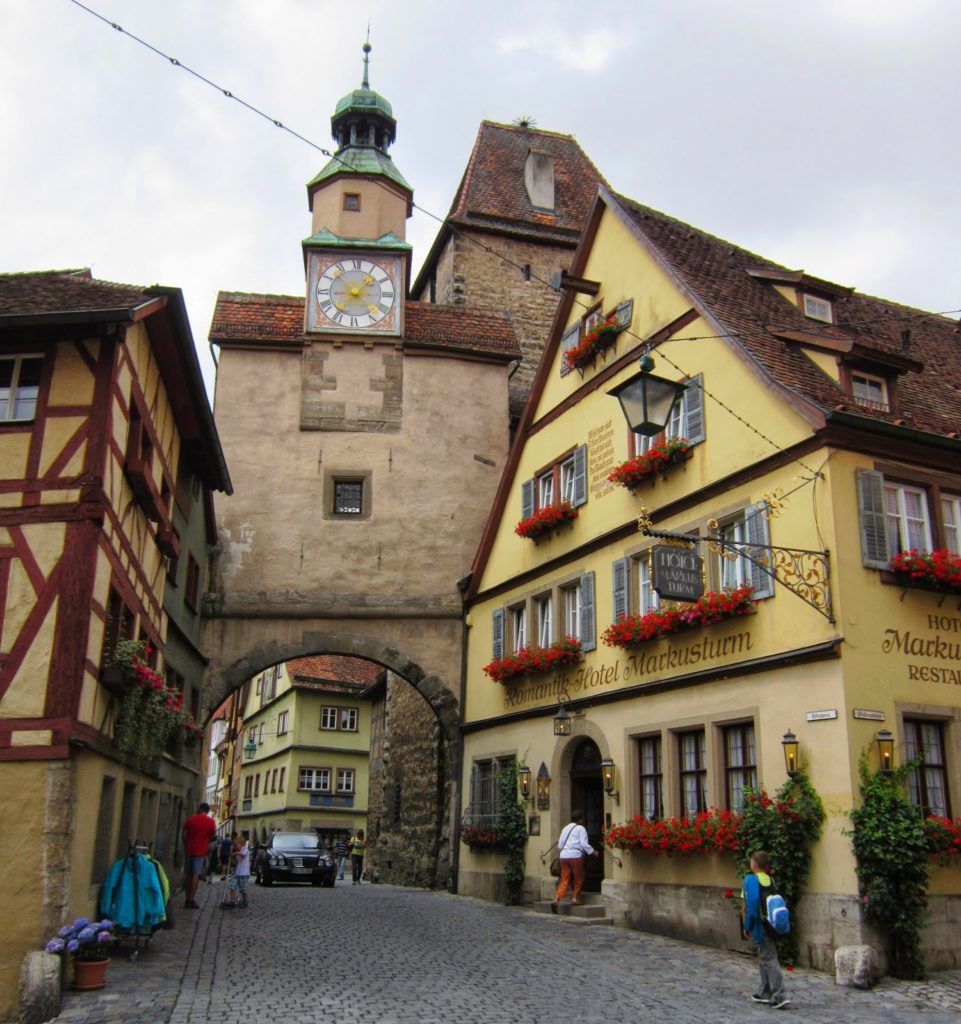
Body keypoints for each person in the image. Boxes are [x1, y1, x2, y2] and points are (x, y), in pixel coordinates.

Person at [742, 850, 791, 1009]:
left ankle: (779, 994)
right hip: (771, 923)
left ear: (754, 864)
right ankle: (764, 991)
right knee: (764, 955)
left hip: (759, 924)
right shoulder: (770, 880)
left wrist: (747, 927)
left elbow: (750, 906)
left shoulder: (750, 880)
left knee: (769, 958)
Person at [550, 810, 598, 912]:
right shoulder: (581, 829)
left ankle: (556, 899)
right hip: (576, 855)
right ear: (580, 819)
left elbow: (560, 845)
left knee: (565, 879)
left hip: (564, 856)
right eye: (583, 818)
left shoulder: (565, 828)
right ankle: (575, 898)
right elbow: (584, 844)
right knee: (578, 878)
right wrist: (593, 852)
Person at [182, 802, 217, 908]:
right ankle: (191, 900)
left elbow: (183, 834)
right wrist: (205, 843)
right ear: (207, 811)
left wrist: (186, 844)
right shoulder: (211, 822)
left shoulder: (191, 819)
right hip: (201, 851)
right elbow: (212, 836)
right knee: (195, 875)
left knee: (188, 874)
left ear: (200, 809)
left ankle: (187, 898)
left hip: (189, 850)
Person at [226, 832, 250, 908]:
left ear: (241, 844)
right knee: (232, 885)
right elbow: (236, 861)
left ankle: (245, 901)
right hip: (237, 873)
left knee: (243, 888)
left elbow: (242, 855)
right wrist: (231, 854)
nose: (236, 847)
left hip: (244, 873)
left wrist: (236, 852)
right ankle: (232, 901)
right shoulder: (239, 851)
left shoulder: (245, 850)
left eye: (237, 846)